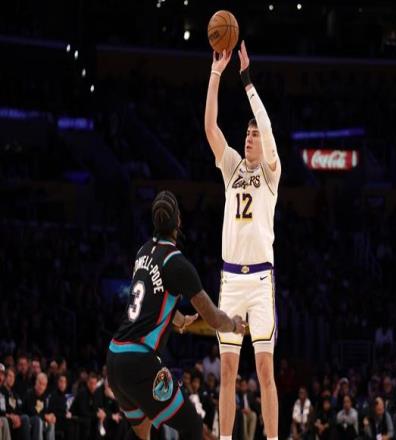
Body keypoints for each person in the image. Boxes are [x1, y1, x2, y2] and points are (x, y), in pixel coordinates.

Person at [106, 190, 246, 440]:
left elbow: (149, 301)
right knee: (192, 427)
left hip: (115, 357)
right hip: (140, 360)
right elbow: (214, 318)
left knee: (141, 431)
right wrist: (234, 325)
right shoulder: (177, 263)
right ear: (178, 221)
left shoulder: (142, 252)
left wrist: (177, 318)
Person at [204, 40, 281, 440]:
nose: (250, 138)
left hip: (261, 281)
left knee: (265, 369)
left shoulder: (271, 171)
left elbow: (266, 127)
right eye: (247, 133)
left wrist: (247, 82)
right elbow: (210, 128)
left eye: (254, 134)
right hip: (232, 280)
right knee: (229, 371)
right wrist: (216, 74)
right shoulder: (232, 165)